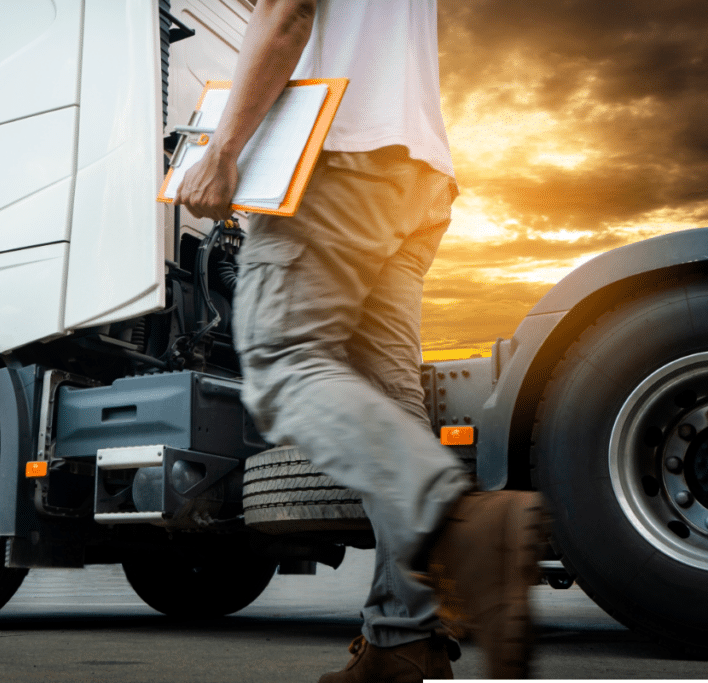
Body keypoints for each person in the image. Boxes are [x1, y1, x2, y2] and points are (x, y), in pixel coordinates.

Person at [175, 1, 548, 679]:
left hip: (333, 153)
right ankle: (403, 640)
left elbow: (286, 12)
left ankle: (460, 522)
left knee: (280, 362)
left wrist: (222, 150)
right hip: (416, 173)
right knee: (392, 403)